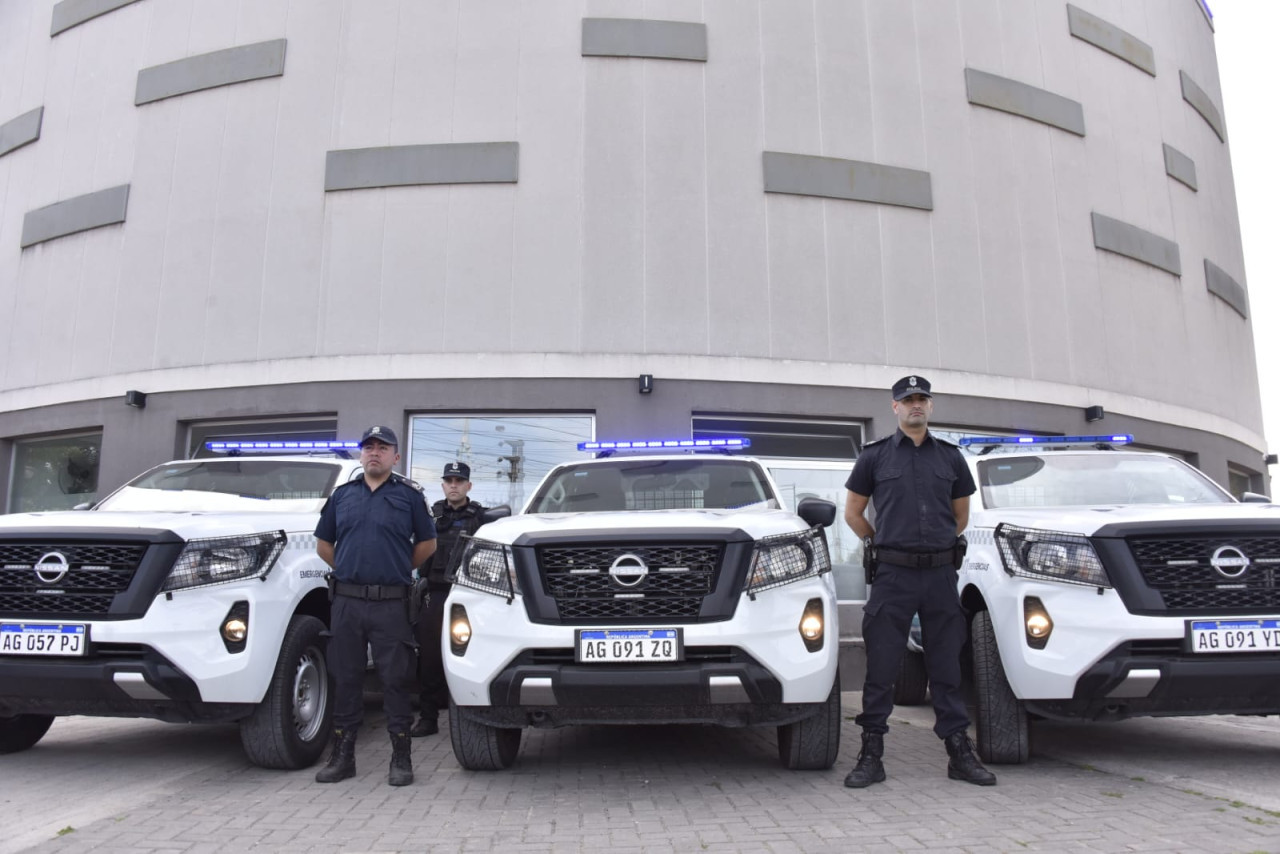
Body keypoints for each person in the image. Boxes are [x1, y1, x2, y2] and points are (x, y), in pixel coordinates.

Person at [842, 375, 997, 788]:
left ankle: (958, 753)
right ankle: (871, 754)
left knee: (946, 665)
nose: (915, 405)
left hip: (940, 575)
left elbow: (959, 517)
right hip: (893, 575)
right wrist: (881, 545)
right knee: (882, 665)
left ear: (931, 406)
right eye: (907, 400)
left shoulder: (950, 458)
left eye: (921, 399)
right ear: (894, 408)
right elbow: (853, 513)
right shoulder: (874, 457)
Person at [313, 425, 436, 786]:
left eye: (383, 448)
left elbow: (427, 544)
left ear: (395, 457)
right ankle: (343, 757)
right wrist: (350, 570)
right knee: (346, 678)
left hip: (391, 604)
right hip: (347, 603)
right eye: (368, 447)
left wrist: (396, 569)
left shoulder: (409, 497)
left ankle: (401, 759)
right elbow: (324, 544)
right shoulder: (342, 496)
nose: (374, 453)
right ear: (360, 455)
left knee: (395, 681)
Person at [411, 461, 485, 737]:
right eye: (449, 481)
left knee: (472, 656)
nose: (454, 485)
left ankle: (471, 718)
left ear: (468, 485)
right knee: (429, 657)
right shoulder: (431, 516)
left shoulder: (481, 517)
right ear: (443, 485)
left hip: (470, 595)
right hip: (437, 593)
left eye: (459, 481)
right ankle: (428, 718)